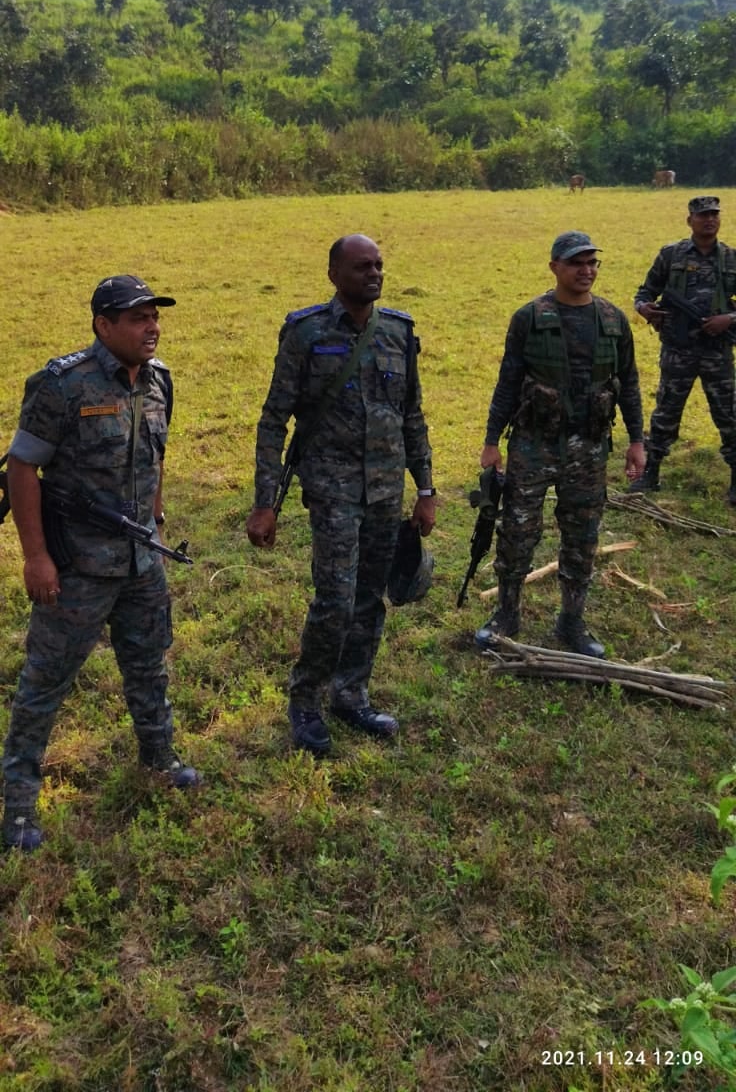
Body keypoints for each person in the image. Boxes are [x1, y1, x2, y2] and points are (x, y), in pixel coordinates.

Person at [2, 275, 200, 853]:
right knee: (44, 684)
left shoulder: (160, 382)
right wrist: (35, 557)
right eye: (138, 318)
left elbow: (155, 459)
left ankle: (159, 760)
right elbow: (20, 471)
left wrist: (156, 519)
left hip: (141, 562)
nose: (152, 328)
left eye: (154, 317)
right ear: (103, 325)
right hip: (78, 568)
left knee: (149, 667)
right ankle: (17, 807)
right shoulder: (61, 386)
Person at [246, 234, 435, 757]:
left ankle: (351, 692)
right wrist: (266, 502)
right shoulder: (306, 333)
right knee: (334, 600)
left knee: (371, 598)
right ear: (334, 275)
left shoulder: (398, 331)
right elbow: (273, 420)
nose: (373, 274)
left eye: (378, 265)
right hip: (331, 489)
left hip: (384, 488)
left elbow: (412, 416)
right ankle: (306, 699)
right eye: (360, 267)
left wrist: (426, 488)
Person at [474, 232, 645, 657]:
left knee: (582, 534)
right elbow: (508, 382)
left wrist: (637, 441)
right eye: (576, 263)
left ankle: (572, 620)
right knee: (517, 530)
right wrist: (492, 441)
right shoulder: (530, 317)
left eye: (592, 263)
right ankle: (506, 613)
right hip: (533, 444)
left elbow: (630, 384)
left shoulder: (613, 319)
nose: (586, 270)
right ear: (554, 267)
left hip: (588, 449)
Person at [632, 196, 736, 502]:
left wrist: (727, 318)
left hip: (717, 351)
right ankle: (651, 473)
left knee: (729, 415)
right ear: (689, 220)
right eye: (703, 215)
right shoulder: (671, 255)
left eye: (714, 215)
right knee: (666, 412)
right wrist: (645, 308)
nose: (709, 220)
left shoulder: (731, 259)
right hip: (678, 349)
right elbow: (645, 291)